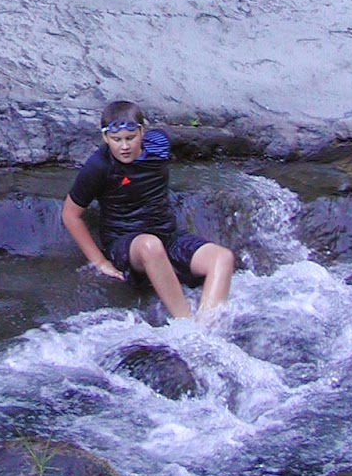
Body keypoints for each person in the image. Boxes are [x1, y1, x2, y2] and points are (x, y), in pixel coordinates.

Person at [61, 100, 234, 321]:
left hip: (168, 237)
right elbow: (70, 214)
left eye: (130, 138)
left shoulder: (159, 145)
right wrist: (99, 262)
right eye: (116, 140)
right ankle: (186, 324)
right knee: (150, 245)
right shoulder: (99, 166)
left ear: (142, 132)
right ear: (105, 138)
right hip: (127, 244)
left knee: (222, 258)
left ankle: (207, 327)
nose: (124, 146)